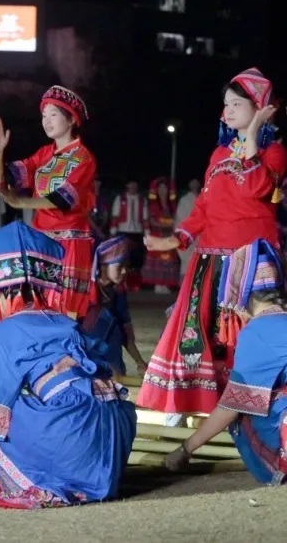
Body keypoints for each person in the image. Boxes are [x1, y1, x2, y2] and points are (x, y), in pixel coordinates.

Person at [0, 222, 137, 509]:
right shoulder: (66, 323)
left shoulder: (5, 334)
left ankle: (49, 477)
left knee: (2, 409)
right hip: (111, 448)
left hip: (69, 441)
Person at [139, 68, 286, 420]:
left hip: (250, 261)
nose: (228, 110)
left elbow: (257, 187)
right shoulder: (220, 155)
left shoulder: (276, 153)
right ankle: (192, 400)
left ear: (261, 109)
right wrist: (175, 238)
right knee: (201, 332)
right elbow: (204, 206)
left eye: (237, 104)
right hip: (209, 258)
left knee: (242, 336)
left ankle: (244, 409)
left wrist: (254, 133)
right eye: (226, 104)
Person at [165, 239, 287, 486]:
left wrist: (186, 448)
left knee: (243, 412)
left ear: (239, 294)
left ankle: (275, 465)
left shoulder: (257, 332)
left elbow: (231, 407)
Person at [0, 85, 97, 319]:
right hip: (41, 237)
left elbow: (62, 200)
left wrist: (21, 203)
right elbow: (3, 179)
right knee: (37, 305)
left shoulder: (83, 158)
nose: (46, 121)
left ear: (72, 119)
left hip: (69, 241)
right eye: (44, 115)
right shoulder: (44, 154)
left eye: (53, 114)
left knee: (66, 310)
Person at [83, 235, 148, 376]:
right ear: (103, 265)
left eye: (126, 266)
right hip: (83, 354)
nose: (124, 271)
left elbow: (126, 333)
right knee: (102, 317)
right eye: (119, 266)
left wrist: (140, 362)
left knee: (113, 322)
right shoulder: (83, 289)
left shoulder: (118, 292)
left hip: (110, 357)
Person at [141, 177, 180, 293]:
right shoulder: (152, 204)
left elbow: (177, 220)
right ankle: (158, 283)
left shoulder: (172, 205)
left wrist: (171, 225)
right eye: (161, 188)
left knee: (169, 260)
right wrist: (168, 224)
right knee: (157, 258)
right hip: (157, 235)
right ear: (156, 190)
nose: (163, 190)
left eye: (165, 188)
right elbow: (152, 221)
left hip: (169, 236)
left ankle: (166, 283)